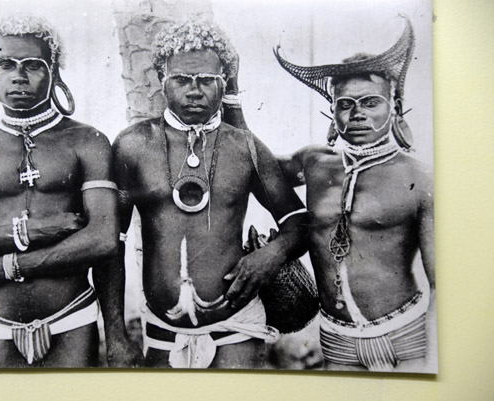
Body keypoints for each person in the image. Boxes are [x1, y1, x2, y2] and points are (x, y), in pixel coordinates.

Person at [112, 19, 308, 369]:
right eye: (182, 80)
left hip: (236, 330)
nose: (194, 91)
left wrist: (271, 255)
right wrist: (116, 334)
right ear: (162, 80)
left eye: (206, 81)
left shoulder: (244, 147)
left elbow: (298, 222)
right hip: (160, 331)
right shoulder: (133, 145)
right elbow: (112, 244)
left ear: (224, 83)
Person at [0, 15, 137, 368]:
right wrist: (32, 231)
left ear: (54, 72)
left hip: (72, 320)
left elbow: (103, 240)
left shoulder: (88, 142)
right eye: (6, 64)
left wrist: (8, 266)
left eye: (33, 66)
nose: (19, 76)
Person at [274, 18, 435, 372]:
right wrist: (233, 97)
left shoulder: (419, 176)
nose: (357, 113)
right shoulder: (313, 162)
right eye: (345, 104)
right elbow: (252, 166)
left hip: (408, 336)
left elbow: (442, 282)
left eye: (370, 102)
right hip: (338, 340)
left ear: (394, 107)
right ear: (332, 111)